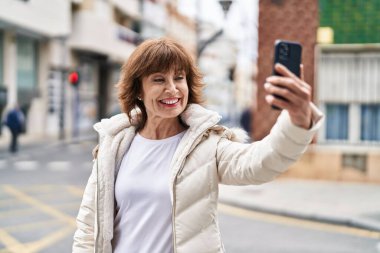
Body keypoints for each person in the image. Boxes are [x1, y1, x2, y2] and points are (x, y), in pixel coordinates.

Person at [73, 38, 323, 253]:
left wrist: (297, 120)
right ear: (138, 90)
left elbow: (262, 162)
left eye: (179, 78)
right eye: (159, 79)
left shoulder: (207, 145)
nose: (172, 89)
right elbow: (88, 228)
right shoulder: (114, 144)